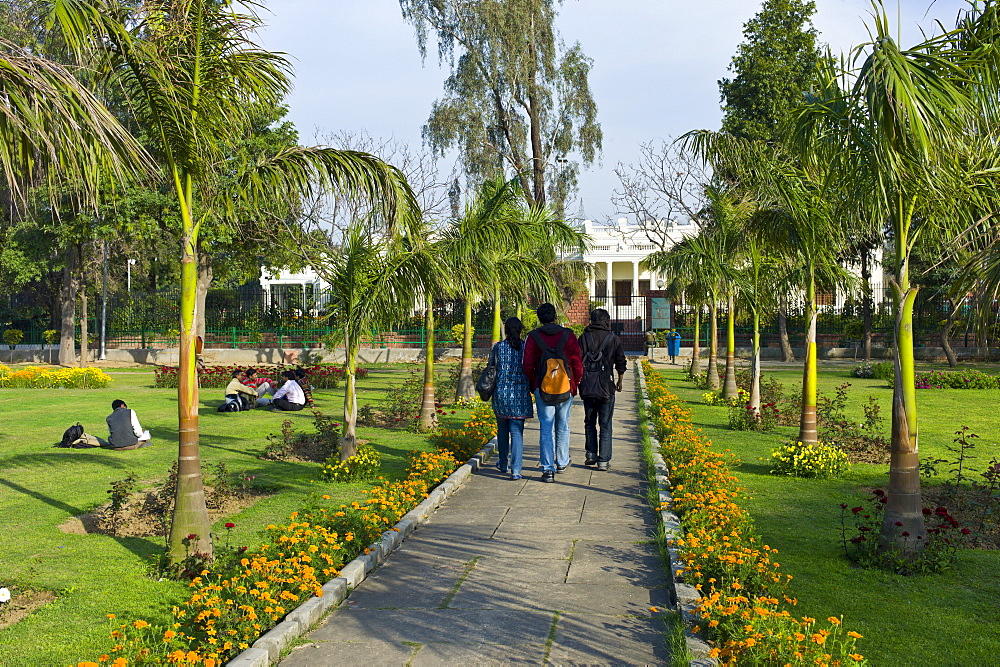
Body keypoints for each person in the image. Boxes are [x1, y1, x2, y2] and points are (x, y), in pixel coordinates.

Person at [522, 302, 583, 482]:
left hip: (543, 388)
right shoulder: (568, 335)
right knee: (563, 425)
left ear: (540, 319)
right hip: (566, 388)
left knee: (546, 428)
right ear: (555, 316)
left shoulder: (533, 337)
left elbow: (527, 365)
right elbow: (577, 363)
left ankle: (548, 468)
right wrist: (575, 385)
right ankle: (562, 461)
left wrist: (535, 384)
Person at [578, 309, 627, 471]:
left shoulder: (584, 337)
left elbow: (577, 361)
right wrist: (619, 381)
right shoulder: (613, 339)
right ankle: (603, 461)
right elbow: (620, 361)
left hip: (588, 386)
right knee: (605, 424)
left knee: (589, 421)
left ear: (591, 320)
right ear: (607, 321)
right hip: (606, 386)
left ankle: (591, 454)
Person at [489, 317, 533, 481]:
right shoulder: (525, 347)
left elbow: (490, 368)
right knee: (516, 433)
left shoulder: (498, 347)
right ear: (520, 330)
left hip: (501, 393)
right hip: (520, 395)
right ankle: (516, 470)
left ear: (506, 330)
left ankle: (502, 463)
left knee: (502, 431)